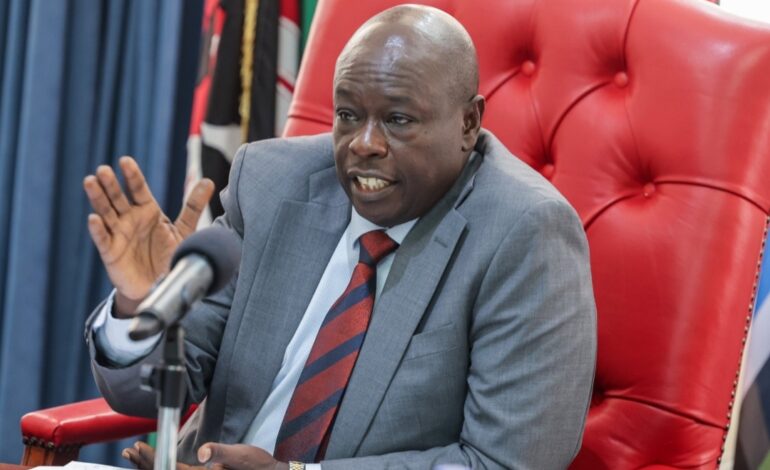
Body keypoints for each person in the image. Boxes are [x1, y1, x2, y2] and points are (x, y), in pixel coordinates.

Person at [83, 5, 597, 470]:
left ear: (469, 123)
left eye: (398, 120)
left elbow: (505, 461)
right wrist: (143, 306)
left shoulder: (525, 234)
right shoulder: (271, 185)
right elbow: (143, 394)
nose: (364, 144)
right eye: (348, 115)